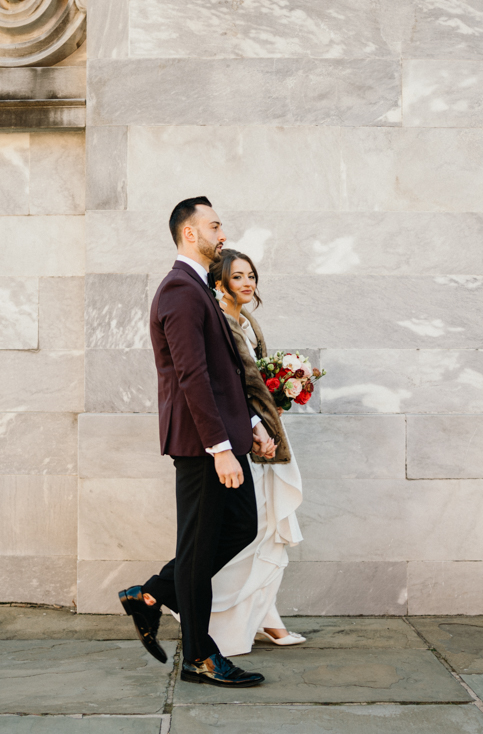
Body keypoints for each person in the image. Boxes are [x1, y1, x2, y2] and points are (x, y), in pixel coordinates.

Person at [118, 196, 278, 689]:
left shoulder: (198, 288)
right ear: (191, 233)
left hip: (222, 438)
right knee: (199, 546)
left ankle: (151, 595)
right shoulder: (180, 290)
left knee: (240, 527)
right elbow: (191, 374)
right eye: (214, 226)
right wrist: (219, 447)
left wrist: (248, 424)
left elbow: (224, 371)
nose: (221, 235)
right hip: (200, 446)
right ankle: (201, 657)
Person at [205, 249, 306, 654]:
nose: (248, 283)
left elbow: (255, 377)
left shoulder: (246, 320)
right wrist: (254, 422)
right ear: (220, 282)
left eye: (251, 276)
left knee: (267, 535)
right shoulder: (220, 323)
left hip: (265, 436)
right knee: (257, 532)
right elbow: (225, 387)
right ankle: (225, 619)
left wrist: (281, 387)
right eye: (238, 277)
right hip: (247, 441)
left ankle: (267, 617)